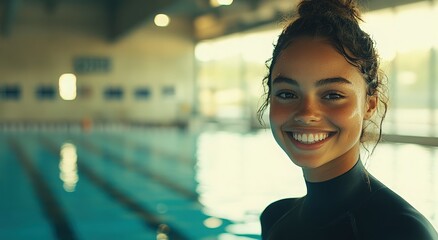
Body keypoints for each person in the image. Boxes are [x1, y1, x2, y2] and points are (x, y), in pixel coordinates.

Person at [257, 0, 438, 239]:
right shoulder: (275, 216)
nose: (306, 113)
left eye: (333, 95)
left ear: (369, 106)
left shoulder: (403, 231)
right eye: (287, 94)